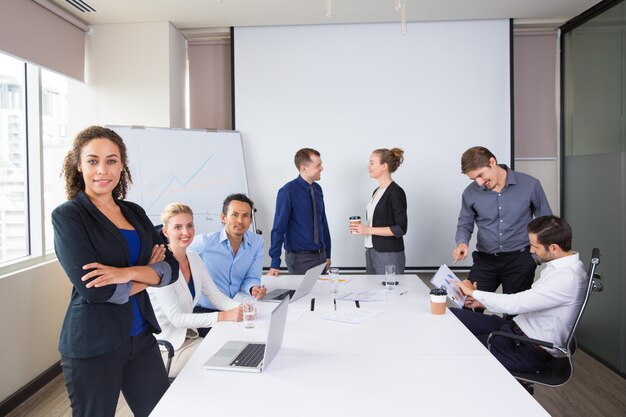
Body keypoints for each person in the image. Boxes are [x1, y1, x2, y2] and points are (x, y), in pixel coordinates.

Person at [52, 126, 179, 417]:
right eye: (93, 161)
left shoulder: (134, 212)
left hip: (142, 339)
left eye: (111, 160)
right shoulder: (69, 216)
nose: (102, 170)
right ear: (78, 165)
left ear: (122, 165)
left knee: (161, 411)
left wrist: (126, 273)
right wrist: (148, 272)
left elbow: (171, 268)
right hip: (94, 344)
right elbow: (96, 290)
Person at [450, 216, 587, 374]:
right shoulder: (561, 267)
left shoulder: (567, 278)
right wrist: (481, 302)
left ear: (554, 248)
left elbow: (517, 303)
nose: (531, 250)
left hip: (525, 349)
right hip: (515, 330)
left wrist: (473, 292)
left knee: (458, 350)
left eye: (534, 246)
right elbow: (530, 300)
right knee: (453, 315)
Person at [148, 203, 243, 377]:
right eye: (178, 227)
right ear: (166, 232)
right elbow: (176, 319)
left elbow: (215, 296)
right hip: (167, 348)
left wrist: (241, 308)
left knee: (233, 351)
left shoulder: (193, 258)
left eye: (189, 225)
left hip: (189, 337)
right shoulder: (160, 266)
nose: (186, 232)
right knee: (225, 364)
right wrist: (223, 316)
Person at [452, 146, 552, 301]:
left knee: (514, 316)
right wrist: (462, 243)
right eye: (474, 179)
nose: (479, 182)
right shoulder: (470, 192)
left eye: (480, 175)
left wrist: (536, 258)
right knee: (468, 305)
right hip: (485, 261)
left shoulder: (530, 185)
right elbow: (465, 222)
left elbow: (545, 221)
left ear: (492, 162)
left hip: (520, 261)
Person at [189, 193, 266, 335]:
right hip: (206, 311)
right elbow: (176, 251)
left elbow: (252, 277)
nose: (240, 220)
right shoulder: (205, 243)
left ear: (250, 219)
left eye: (245, 216)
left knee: (262, 330)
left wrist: (253, 288)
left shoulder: (256, 243)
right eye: (235, 215)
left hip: (234, 306)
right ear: (223, 217)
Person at [268, 148, 331, 275]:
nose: (322, 168)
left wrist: (327, 254)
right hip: (300, 260)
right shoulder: (287, 192)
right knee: (303, 295)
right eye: (318, 165)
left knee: (323, 295)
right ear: (303, 168)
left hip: (321, 257)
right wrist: (275, 262)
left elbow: (322, 223)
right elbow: (278, 228)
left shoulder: (318, 189)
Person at [349, 148, 407, 274]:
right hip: (371, 250)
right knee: (372, 292)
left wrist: (368, 230)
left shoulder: (396, 192)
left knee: (391, 292)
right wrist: (361, 228)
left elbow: (400, 228)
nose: (368, 166)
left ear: (384, 166)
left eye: (372, 163)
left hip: (388, 253)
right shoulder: (377, 191)